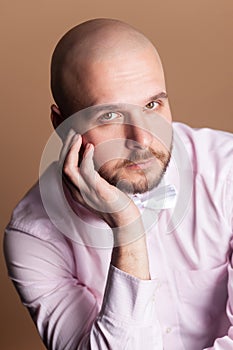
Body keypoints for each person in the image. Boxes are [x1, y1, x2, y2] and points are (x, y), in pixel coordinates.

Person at [4, 18, 233, 350]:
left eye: (152, 105)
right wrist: (128, 230)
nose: (142, 138)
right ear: (61, 123)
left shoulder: (227, 173)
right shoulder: (33, 236)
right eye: (109, 116)